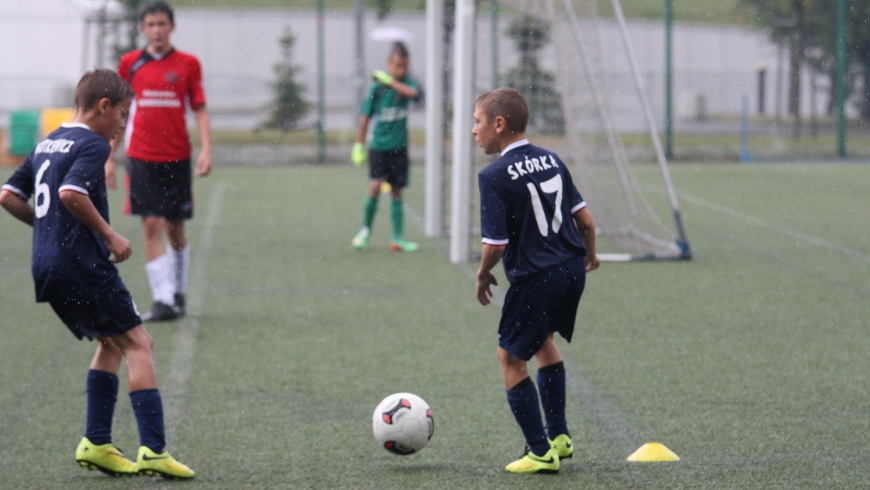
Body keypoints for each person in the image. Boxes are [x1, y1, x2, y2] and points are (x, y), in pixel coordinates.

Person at [0, 69, 194, 479]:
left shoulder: (49, 141)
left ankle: (97, 442)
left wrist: (49, 230)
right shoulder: (92, 142)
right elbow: (71, 193)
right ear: (103, 107)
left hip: (47, 267)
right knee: (140, 342)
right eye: (123, 114)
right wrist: (108, 235)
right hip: (82, 264)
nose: (124, 123)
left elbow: (8, 195)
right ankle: (154, 451)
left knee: (110, 341)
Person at [472, 88, 601, 474]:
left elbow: (495, 245)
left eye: (477, 122)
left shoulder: (493, 175)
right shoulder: (551, 158)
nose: (474, 131)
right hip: (572, 269)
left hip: (538, 277)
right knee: (543, 342)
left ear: (499, 124)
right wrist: (590, 255)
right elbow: (587, 221)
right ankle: (559, 437)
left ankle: (539, 451)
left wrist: (482, 275)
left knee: (510, 357)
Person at [106, 0, 212, 322]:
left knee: (176, 229)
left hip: (177, 157)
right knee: (151, 224)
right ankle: (163, 299)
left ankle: (178, 290)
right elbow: (119, 114)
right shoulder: (129, 64)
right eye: (150, 25)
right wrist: (109, 156)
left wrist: (206, 149)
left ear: (172, 26)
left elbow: (200, 108)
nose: (156, 31)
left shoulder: (188, 63)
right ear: (143, 28)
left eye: (162, 24)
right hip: (141, 158)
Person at [350, 42, 422, 252]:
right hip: (379, 147)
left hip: (399, 149)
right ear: (389, 63)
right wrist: (358, 145)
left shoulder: (406, 83)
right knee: (374, 187)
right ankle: (365, 231)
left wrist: (391, 81)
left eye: (405, 66)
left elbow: (415, 95)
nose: (402, 70)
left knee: (397, 191)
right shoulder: (377, 89)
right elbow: (365, 118)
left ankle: (397, 238)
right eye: (398, 65)